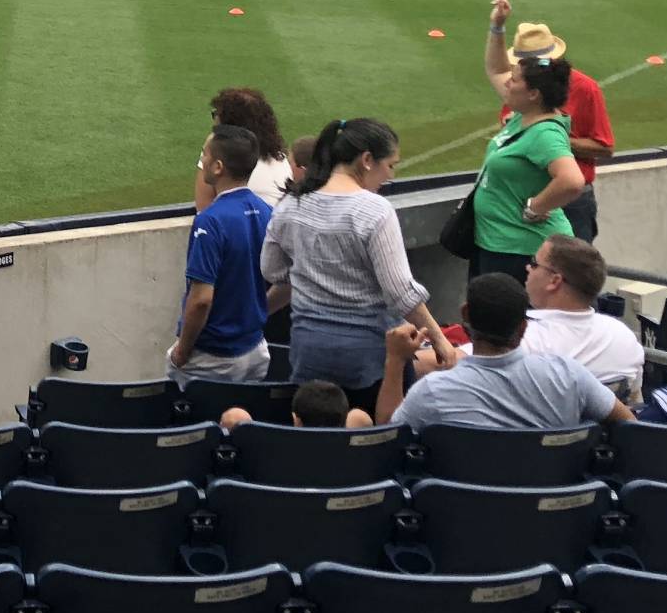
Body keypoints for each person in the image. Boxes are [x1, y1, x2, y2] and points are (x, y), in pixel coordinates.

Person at [260, 117, 456, 415]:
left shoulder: (290, 204)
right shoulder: (374, 210)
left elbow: (272, 270)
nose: (390, 175)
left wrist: (311, 276)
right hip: (369, 358)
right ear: (367, 160)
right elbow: (400, 292)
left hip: (309, 350)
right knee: (371, 442)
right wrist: (440, 339)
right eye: (390, 165)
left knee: (316, 437)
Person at [380, 274, 636, 431]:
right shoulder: (569, 375)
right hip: (551, 517)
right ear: (524, 326)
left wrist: (394, 360)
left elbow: (386, 439)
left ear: (465, 314)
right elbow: (630, 427)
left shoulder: (432, 392)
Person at [472, 0, 585, 283]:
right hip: (502, 246)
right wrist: (497, 27)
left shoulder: (544, 132)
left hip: (520, 252)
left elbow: (572, 181)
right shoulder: (525, 113)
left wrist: (535, 207)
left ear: (533, 93)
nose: (508, 81)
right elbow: (496, 69)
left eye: (516, 78)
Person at [167, 125, 274, 383]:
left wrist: (182, 351)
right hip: (256, 349)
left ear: (217, 167)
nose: (201, 160)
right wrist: (254, 316)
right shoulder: (269, 212)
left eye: (204, 155)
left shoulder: (210, 221)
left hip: (212, 357)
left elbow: (202, 299)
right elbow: (288, 280)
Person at [493, 17, 614, 242]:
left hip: (570, 202)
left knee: (571, 272)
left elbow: (604, 147)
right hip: (524, 193)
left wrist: (548, 140)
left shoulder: (586, 88)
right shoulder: (520, 86)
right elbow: (507, 120)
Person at [519, 237, 645, 401]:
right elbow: (635, 397)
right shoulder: (623, 334)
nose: (528, 268)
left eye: (535, 263)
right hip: (606, 425)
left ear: (555, 280)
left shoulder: (523, 339)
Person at [205, 87, 295, 204]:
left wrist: (209, 148)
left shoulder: (230, 166)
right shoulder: (279, 158)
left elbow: (203, 209)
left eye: (216, 114)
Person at [220, 380, 373, 429]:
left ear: (296, 419)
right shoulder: (351, 454)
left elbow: (234, 418)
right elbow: (360, 418)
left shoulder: (271, 449)